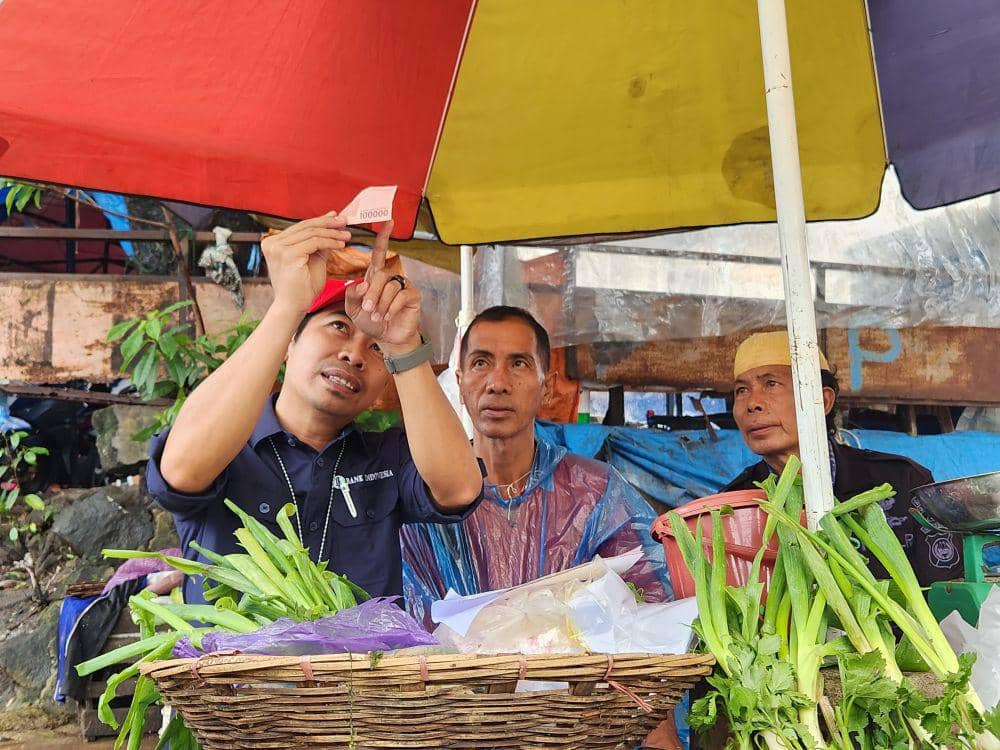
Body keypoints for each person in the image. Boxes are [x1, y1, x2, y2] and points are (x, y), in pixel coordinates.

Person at [146, 213, 484, 604]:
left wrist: (404, 345)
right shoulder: (227, 445)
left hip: (361, 666)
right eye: (338, 326)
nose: (354, 354)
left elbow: (459, 488)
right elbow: (181, 470)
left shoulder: (387, 458)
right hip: (235, 667)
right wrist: (287, 305)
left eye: (376, 348)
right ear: (290, 344)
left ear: (382, 386)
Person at [402, 306, 670, 628]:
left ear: (547, 386)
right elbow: (405, 624)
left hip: (573, 677)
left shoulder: (595, 492)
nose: (497, 383)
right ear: (460, 382)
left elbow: (649, 605)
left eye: (518, 363)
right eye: (480, 363)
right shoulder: (425, 500)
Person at [722, 331, 962, 584]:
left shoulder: (902, 483)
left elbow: (948, 594)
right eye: (741, 390)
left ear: (822, 400)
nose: (752, 403)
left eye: (771, 384)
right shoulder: (731, 507)